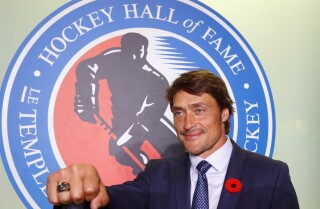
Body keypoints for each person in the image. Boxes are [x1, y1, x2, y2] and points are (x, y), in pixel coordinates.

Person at [47, 70, 300, 209]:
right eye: (179, 112)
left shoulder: (271, 176)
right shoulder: (159, 173)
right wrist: (80, 194)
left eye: (199, 110)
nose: (187, 124)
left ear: (224, 113)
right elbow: (112, 202)